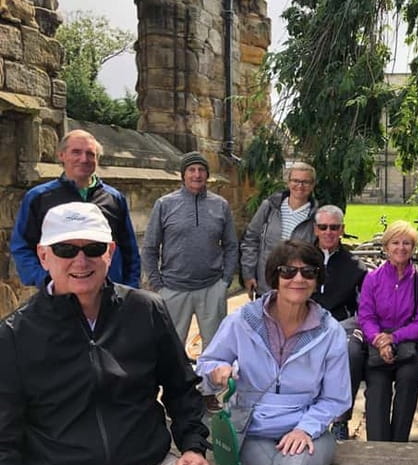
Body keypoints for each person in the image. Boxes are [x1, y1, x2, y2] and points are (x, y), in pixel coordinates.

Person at [0, 202, 269, 465]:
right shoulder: (15, 335)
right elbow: (3, 440)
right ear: (43, 255)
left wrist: (193, 448)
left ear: (110, 252)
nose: (81, 261)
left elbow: (181, 388)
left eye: (93, 248)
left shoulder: (145, 309)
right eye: (66, 249)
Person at [196, 240, 350, 465]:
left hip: (310, 430)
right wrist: (217, 372)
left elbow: (336, 398)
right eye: (288, 271)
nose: (298, 278)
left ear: (318, 279)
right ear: (274, 276)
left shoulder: (330, 331)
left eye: (308, 271)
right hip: (252, 428)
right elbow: (207, 363)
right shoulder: (243, 320)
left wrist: (305, 428)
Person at [10, 129, 141, 288]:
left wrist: (129, 287)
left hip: (108, 294)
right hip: (61, 295)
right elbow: (21, 245)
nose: (84, 159)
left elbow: (129, 250)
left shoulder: (113, 198)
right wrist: (44, 280)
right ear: (61, 155)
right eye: (76, 152)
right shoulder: (39, 197)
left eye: (91, 154)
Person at [141, 151, 238, 348]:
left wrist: (225, 281)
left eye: (201, 170)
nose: (197, 174)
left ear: (207, 174)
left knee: (217, 350)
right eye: (191, 170)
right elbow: (150, 248)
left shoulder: (220, 205)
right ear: (183, 174)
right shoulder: (165, 205)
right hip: (173, 289)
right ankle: (176, 381)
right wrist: (158, 286)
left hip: (211, 289)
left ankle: (210, 381)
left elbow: (231, 245)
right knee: (170, 350)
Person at [358, 220, 418, 442]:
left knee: (409, 379)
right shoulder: (372, 279)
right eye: (395, 242)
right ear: (386, 247)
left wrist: (394, 337)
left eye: (407, 243)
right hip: (378, 344)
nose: (401, 248)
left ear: (413, 247)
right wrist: (380, 341)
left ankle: (398, 444)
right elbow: (366, 316)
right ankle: (379, 446)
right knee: (377, 388)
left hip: (412, 344)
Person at [310, 204, 369, 441]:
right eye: (323, 227)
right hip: (307, 323)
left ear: (342, 230)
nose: (328, 232)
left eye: (334, 227)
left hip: (342, 324)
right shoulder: (303, 259)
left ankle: (341, 421)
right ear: (315, 229)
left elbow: (363, 306)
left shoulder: (354, 265)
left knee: (351, 353)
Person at [240, 162, 318, 297]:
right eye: (296, 180)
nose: (300, 186)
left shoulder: (316, 217)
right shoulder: (270, 207)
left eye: (306, 182)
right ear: (288, 182)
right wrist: (248, 273)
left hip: (297, 286)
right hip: (266, 283)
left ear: (312, 185)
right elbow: (251, 240)